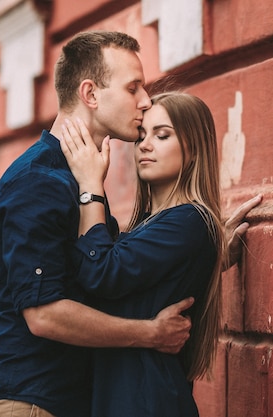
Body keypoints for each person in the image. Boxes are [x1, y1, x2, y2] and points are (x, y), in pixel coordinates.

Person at [0, 30, 260, 417]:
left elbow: (110, 277)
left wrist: (205, 256)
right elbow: (44, 315)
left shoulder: (79, 182)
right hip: (26, 403)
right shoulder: (39, 183)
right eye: (133, 87)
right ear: (90, 95)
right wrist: (148, 334)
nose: (145, 100)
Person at [58, 91, 231, 416]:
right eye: (141, 137)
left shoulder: (190, 220)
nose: (145, 146)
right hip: (124, 397)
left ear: (194, 148)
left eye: (162, 135)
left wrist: (91, 185)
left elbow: (100, 272)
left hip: (146, 401)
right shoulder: (158, 225)